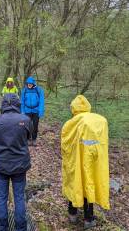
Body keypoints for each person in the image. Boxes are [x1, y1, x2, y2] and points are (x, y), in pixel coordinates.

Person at [61, 95, 110, 230]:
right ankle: (88, 219)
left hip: (77, 159)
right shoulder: (100, 120)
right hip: (94, 160)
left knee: (75, 182)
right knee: (90, 182)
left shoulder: (72, 122)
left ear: (74, 108)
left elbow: (65, 145)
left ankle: (72, 214)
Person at [0, 93, 32, 231]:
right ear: (17, 103)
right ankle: (21, 228)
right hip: (19, 165)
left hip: (2, 164)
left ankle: (2, 227)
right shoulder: (25, 120)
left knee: (2, 197)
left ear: (3, 104)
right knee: (19, 197)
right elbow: (28, 137)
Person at [21, 76, 44, 146]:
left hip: (35, 111)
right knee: (27, 125)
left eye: (30, 84)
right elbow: (22, 101)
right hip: (27, 110)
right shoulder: (24, 90)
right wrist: (22, 111)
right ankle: (27, 139)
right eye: (28, 83)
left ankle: (34, 139)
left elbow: (41, 101)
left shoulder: (39, 90)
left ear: (33, 83)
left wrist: (40, 110)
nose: (29, 85)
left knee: (35, 125)